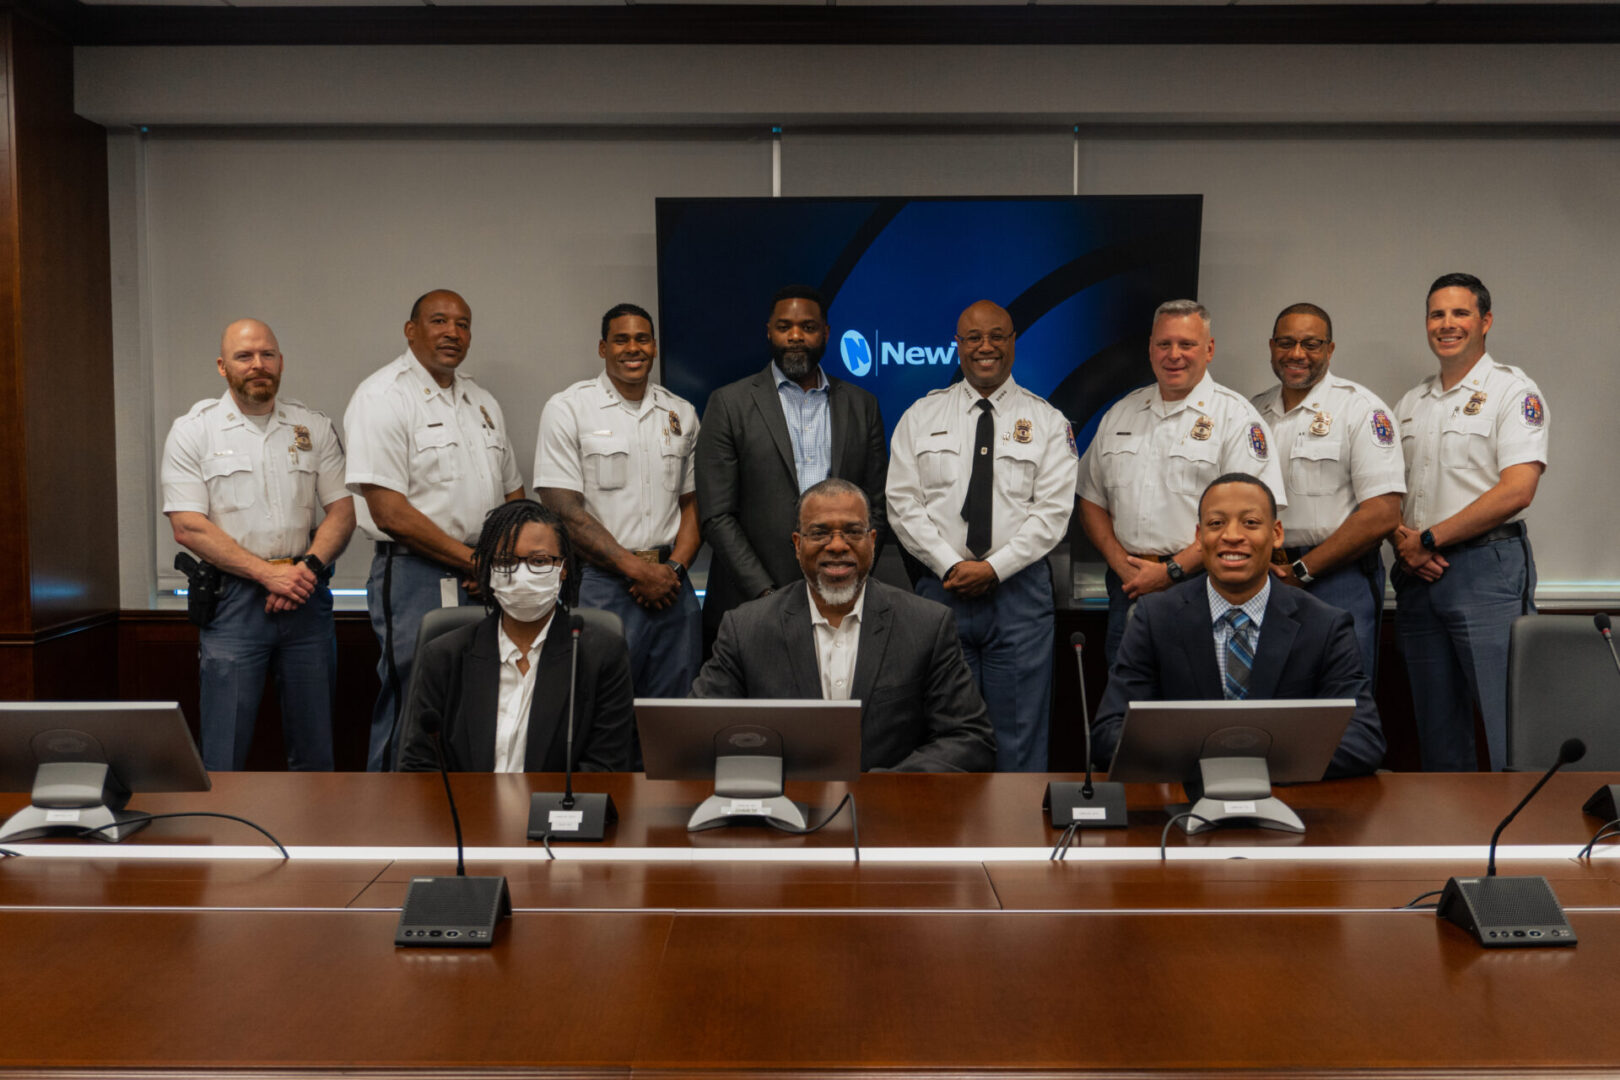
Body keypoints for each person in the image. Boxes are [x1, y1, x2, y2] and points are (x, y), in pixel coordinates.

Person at [885, 300, 1076, 772]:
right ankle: (950, 841)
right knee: (947, 734)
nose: (985, 347)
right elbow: (902, 504)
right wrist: (952, 566)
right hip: (941, 591)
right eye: (973, 337)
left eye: (997, 336)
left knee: (1020, 735)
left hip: (1019, 593)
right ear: (958, 344)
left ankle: (1017, 842)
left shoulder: (1048, 421)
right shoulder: (920, 416)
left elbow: (1052, 513)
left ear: (1013, 343)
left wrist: (993, 569)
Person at [691, 478, 996, 773]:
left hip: (889, 815)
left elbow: (968, 739)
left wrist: (884, 790)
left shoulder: (927, 625)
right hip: (783, 812)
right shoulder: (746, 629)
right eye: (820, 532)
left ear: (872, 542)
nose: (837, 545)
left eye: (852, 531)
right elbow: (696, 732)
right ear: (797, 545)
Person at [1093, 473, 1384, 779]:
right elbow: (1110, 732)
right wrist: (1215, 764)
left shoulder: (1325, 625)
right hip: (1182, 810)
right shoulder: (1156, 617)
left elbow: (1363, 740)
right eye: (1216, 523)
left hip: (1289, 809)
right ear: (1198, 536)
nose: (1231, 535)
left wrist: (1242, 763)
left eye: (1250, 523)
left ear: (1276, 534)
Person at [161, 318, 355, 771]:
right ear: (222, 366)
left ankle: (314, 842)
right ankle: (224, 841)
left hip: (306, 599)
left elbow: (343, 511)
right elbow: (188, 526)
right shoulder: (195, 431)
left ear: (281, 362)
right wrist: (269, 575)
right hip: (233, 603)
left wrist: (304, 571)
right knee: (223, 752)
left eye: (267, 354)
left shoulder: (313, 426)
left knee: (316, 750)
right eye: (244, 356)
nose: (258, 365)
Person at [344, 289, 525, 771]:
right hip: (415, 575)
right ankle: (390, 821)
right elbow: (388, 512)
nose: (453, 333)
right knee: (414, 699)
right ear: (411, 330)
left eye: (463, 324)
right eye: (439, 321)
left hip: (483, 576)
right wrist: (476, 562)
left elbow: (513, 496)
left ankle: (459, 822)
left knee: (477, 703)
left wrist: (499, 561)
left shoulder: (481, 401)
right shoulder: (382, 396)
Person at [1390, 273, 1549, 772]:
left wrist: (1430, 538)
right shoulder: (1410, 404)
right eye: (1437, 314)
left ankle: (1522, 845)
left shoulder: (1512, 391)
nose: (1447, 324)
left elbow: (1517, 489)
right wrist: (1405, 543)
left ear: (1485, 321)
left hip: (1486, 569)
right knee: (1436, 731)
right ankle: (1449, 845)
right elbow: (1390, 492)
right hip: (1418, 576)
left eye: (1460, 313)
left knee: (1508, 725)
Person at [1077, 299, 1287, 666]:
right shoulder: (1122, 413)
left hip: (1204, 587)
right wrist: (1120, 564)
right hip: (1127, 587)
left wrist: (1171, 571)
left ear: (1209, 349)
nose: (1174, 355)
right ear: (1150, 348)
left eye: (1187, 344)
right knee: (1127, 704)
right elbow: (1091, 499)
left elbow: (1250, 519)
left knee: (1197, 704)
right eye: (1164, 344)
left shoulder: (1236, 418)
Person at [694, 284, 888, 651]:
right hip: (751, 602)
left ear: (826, 333)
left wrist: (847, 581)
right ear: (769, 331)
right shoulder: (729, 403)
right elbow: (717, 515)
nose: (796, 336)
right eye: (785, 327)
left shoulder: (863, 406)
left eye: (808, 327)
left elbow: (876, 507)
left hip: (842, 600)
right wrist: (767, 594)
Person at [535, 303, 701, 708]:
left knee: (674, 712)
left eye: (642, 338)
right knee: (600, 707)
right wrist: (637, 571)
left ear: (655, 347)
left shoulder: (681, 413)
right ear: (602, 348)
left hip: (671, 586)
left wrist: (673, 570)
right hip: (602, 583)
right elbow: (564, 512)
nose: (633, 348)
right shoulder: (568, 408)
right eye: (621, 339)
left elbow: (694, 505)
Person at [397, 500, 634, 773]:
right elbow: (420, 766)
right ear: (488, 568)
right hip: (467, 812)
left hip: (554, 814)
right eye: (506, 561)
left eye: (539, 561)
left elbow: (605, 768)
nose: (522, 575)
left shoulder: (599, 655)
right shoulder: (443, 656)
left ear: (564, 568)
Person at [1250, 302, 1404, 684]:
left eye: (1311, 344)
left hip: (1339, 579)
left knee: (1342, 702)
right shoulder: (1252, 413)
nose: (1297, 354)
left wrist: (1302, 571)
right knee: (1274, 704)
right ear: (1271, 346)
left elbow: (1383, 513)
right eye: (1286, 342)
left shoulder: (1361, 410)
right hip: (1264, 579)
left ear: (1330, 350)